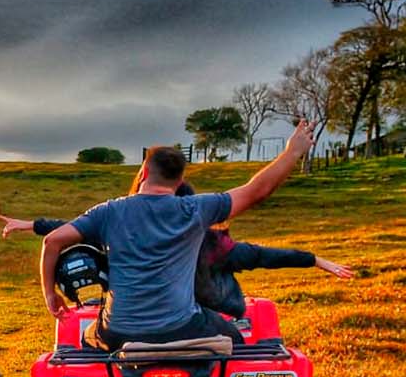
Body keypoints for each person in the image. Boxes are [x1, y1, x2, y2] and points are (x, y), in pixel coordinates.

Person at [40, 120, 314, 350]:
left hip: (118, 332)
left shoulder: (109, 211)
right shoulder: (196, 208)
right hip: (181, 327)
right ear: (180, 181)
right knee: (235, 341)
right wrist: (292, 152)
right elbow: (257, 191)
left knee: (87, 346)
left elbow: (52, 241)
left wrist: (50, 294)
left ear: (144, 172)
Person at [3, 185, 352, 319]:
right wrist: (315, 260)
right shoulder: (217, 248)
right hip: (195, 320)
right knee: (238, 338)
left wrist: (31, 225)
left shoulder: (126, 236)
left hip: (135, 322)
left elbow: (71, 229)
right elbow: (264, 255)